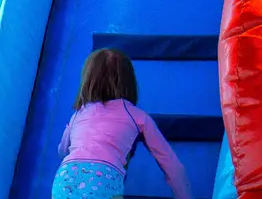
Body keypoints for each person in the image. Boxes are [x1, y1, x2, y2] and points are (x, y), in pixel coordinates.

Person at [53, 47, 192, 199]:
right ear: (129, 82)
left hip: (65, 179)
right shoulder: (137, 116)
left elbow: (62, 151)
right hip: (103, 182)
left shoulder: (78, 114)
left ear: (87, 81)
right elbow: (172, 165)